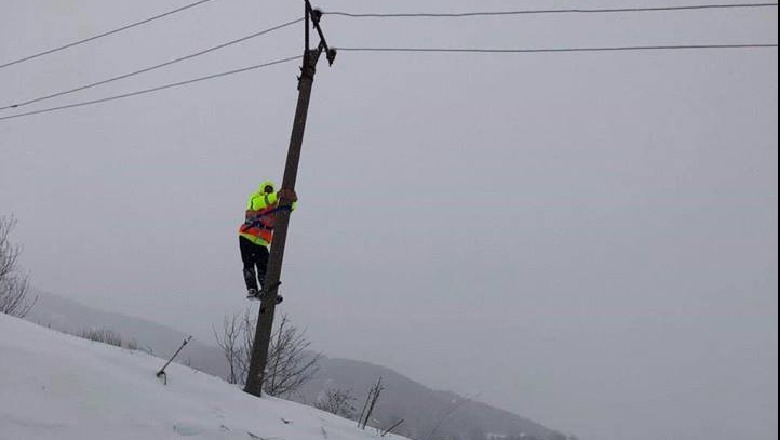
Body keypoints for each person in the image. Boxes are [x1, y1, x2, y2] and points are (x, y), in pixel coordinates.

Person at [238, 180, 297, 299]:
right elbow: (258, 204)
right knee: (249, 263)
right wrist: (277, 195)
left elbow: (287, 209)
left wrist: (293, 200)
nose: (268, 193)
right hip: (247, 236)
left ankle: (266, 289)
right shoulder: (255, 198)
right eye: (266, 190)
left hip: (261, 241)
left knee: (264, 265)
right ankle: (252, 289)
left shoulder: (274, 203)